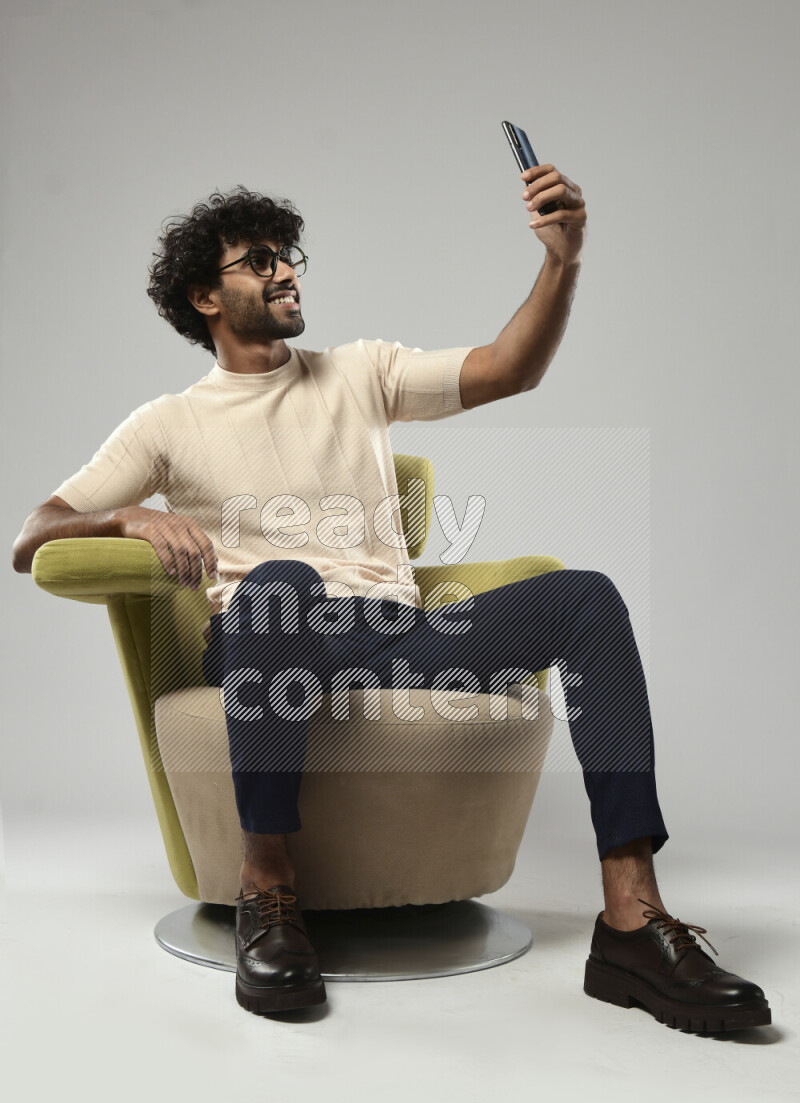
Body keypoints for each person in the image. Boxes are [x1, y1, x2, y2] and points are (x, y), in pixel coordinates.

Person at [12, 175, 771, 1032]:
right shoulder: (168, 424)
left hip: (395, 634)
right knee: (281, 584)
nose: (286, 273)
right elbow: (33, 533)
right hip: (270, 634)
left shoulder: (360, 372)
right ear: (204, 296)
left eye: (287, 256)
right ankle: (267, 893)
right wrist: (132, 514)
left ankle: (632, 924)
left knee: (584, 600)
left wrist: (564, 260)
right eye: (258, 262)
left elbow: (509, 369)